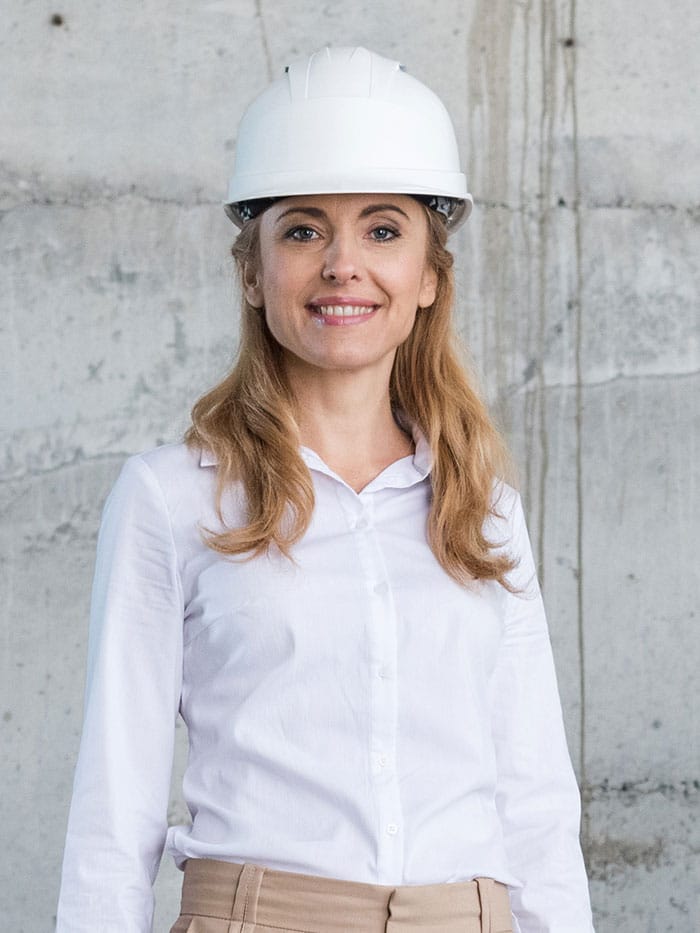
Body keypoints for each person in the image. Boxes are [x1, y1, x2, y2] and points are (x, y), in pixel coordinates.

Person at [56, 47, 594, 933]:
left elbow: (535, 798)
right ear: (252, 271)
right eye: (304, 230)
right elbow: (116, 804)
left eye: (383, 231)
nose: (345, 264)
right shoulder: (171, 496)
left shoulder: (482, 503)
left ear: (428, 278)